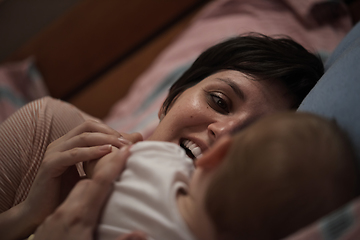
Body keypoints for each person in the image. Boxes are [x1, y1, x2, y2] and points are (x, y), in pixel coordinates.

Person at [0, 33, 324, 240]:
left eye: (253, 138)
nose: (224, 135)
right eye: (219, 101)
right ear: (174, 95)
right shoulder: (48, 132)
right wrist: (24, 216)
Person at [95, 111, 359, 240]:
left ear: (215, 155)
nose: (221, 130)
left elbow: (98, 166)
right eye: (220, 101)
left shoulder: (158, 159)